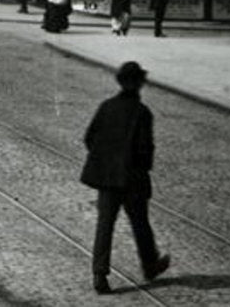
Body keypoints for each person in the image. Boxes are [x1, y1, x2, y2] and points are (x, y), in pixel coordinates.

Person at [80, 61, 171, 294]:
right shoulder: (142, 113)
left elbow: (90, 137)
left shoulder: (106, 106)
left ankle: (99, 274)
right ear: (139, 84)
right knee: (140, 224)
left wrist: (106, 161)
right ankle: (150, 266)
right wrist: (141, 170)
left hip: (108, 180)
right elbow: (145, 149)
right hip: (132, 180)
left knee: (105, 226)